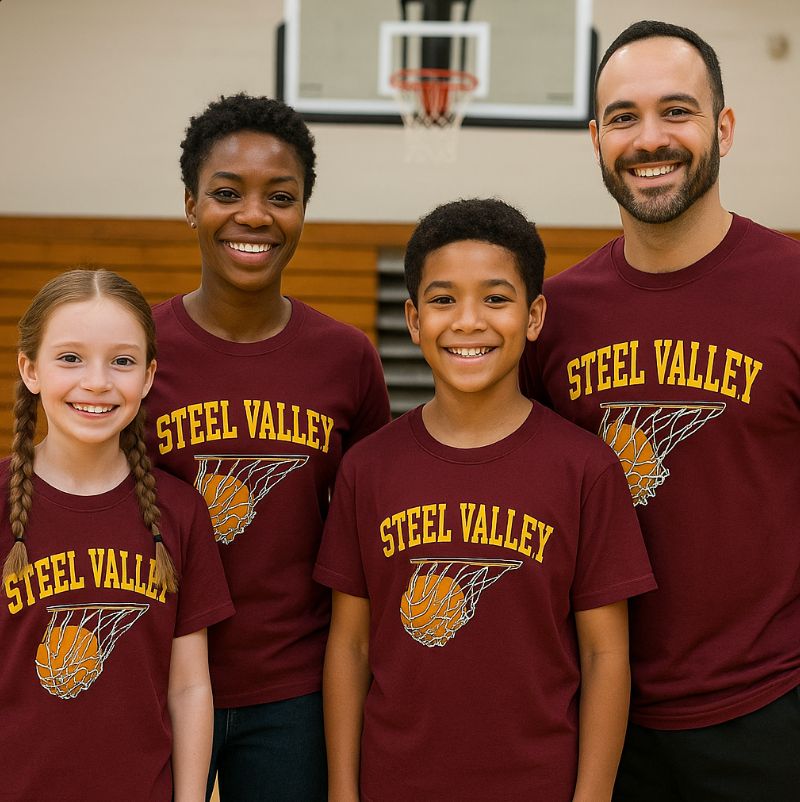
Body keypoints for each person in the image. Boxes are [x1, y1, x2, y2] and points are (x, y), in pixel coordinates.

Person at [520, 20, 800, 801]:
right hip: (595, 720)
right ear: (596, 137)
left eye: (676, 111)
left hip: (769, 713)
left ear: (725, 127)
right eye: (623, 117)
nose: (650, 139)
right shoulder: (555, 315)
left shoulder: (792, 286)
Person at [314, 198, 656, 801]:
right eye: (444, 300)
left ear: (534, 315)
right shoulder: (368, 468)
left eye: (496, 298)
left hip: (538, 785)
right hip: (398, 783)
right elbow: (351, 645)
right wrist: (344, 793)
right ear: (414, 320)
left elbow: (606, 654)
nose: (468, 321)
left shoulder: (585, 469)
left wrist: (593, 796)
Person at [144, 93, 391, 801]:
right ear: (190, 205)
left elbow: (369, 532)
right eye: (226, 193)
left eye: (280, 196)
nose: (254, 215)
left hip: (295, 691)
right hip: (155, 673)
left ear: (303, 210)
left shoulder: (346, 358)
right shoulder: (137, 351)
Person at [0, 268, 234, 802]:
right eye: (70, 358)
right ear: (29, 368)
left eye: (122, 361)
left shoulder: (179, 511)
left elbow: (190, 685)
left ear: (149, 377)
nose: (98, 381)